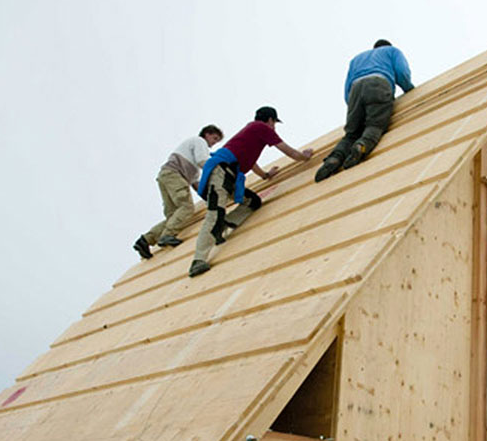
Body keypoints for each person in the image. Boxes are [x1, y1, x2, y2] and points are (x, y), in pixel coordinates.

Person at [189, 106, 313, 277]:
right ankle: (198, 260)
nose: (274, 127)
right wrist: (303, 156)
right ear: (270, 120)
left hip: (230, 175)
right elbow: (286, 149)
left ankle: (224, 225)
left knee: (252, 201)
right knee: (214, 213)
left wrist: (265, 176)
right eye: (274, 123)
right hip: (221, 172)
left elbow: (251, 161)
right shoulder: (261, 128)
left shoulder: (252, 132)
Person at [315, 39, 414, 182]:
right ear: (387, 46)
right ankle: (362, 146)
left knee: (351, 133)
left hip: (355, 90)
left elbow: (347, 88)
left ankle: (334, 158)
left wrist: (354, 108)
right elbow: (401, 72)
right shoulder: (392, 51)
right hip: (379, 83)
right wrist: (409, 90)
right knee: (375, 125)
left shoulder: (357, 59)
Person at [133, 125, 224, 260]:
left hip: (166, 176)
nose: (214, 143)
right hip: (175, 175)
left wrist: (209, 197)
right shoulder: (199, 141)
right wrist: (219, 173)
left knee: (174, 216)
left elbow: (196, 184)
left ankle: (145, 240)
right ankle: (167, 235)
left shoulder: (191, 161)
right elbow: (203, 161)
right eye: (214, 138)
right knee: (187, 208)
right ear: (207, 134)